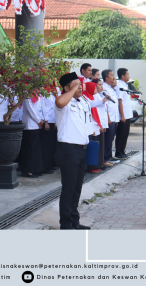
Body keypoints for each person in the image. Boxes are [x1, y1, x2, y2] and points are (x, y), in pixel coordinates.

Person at [54, 72, 90, 230]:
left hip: (81, 150)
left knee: (77, 188)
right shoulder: (64, 103)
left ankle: (75, 220)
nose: (80, 87)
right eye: (76, 85)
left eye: (80, 84)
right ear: (67, 88)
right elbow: (60, 102)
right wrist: (71, 90)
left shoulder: (80, 102)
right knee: (68, 188)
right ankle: (66, 224)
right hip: (68, 150)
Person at [83, 81, 106, 174]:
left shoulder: (91, 97)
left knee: (96, 146)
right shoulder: (85, 98)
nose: (96, 89)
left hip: (96, 126)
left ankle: (95, 165)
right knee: (91, 147)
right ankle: (90, 167)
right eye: (94, 88)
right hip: (91, 127)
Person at [21, 94, 44, 178]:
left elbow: (39, 108)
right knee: (30, 149)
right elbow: (29, 108)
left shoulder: (37, 92)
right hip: (30, 123)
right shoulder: (26, 92)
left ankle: (35, 169)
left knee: (35, 148)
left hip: (37, 123)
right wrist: (38, 120)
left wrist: (41, 119)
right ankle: (28, 170)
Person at [93, 78, 114, 168]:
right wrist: (101, 124)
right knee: (100, 144)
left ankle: (103, 161)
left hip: (102, 123)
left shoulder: (100, 95)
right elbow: (97, 113)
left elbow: (104, 111)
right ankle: (101, 162)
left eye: (102, 85)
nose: (102, 87)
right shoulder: (94, 97)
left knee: (103, 143)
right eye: (99, 85)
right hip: (98, 124)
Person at [102, 70, 120, 165]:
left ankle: (108, 157)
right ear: (106, 78)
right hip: (109, 119)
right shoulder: (104, 88)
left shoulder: (110, 88)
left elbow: (114, 105)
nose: (114, 77)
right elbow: (106, 105)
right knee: (107, 140)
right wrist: (109, 118)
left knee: (110, 139)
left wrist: (116, 119)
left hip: (113, 118)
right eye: (112, 75)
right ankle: (105, 158)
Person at [114, 68, 133, 160]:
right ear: (122, 76)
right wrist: (122, 115)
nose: (129, 76)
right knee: (121, 134)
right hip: (123, 115)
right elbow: (120, 101)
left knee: (125, 134)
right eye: (127, 74)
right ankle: (119, 152)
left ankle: (122, 151)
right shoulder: (119, 86)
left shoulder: (125, 85)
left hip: (128, 114)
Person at [40, 92, 57, 174]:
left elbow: (53, 108)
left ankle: (50, 165)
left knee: (51, 145)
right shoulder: (44, 92)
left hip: (52, 120)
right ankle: (45, 166)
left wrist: (55, 121)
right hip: (47, 121)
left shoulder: (52, 92)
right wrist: (46, 121)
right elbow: (44, 108)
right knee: (46, 145)